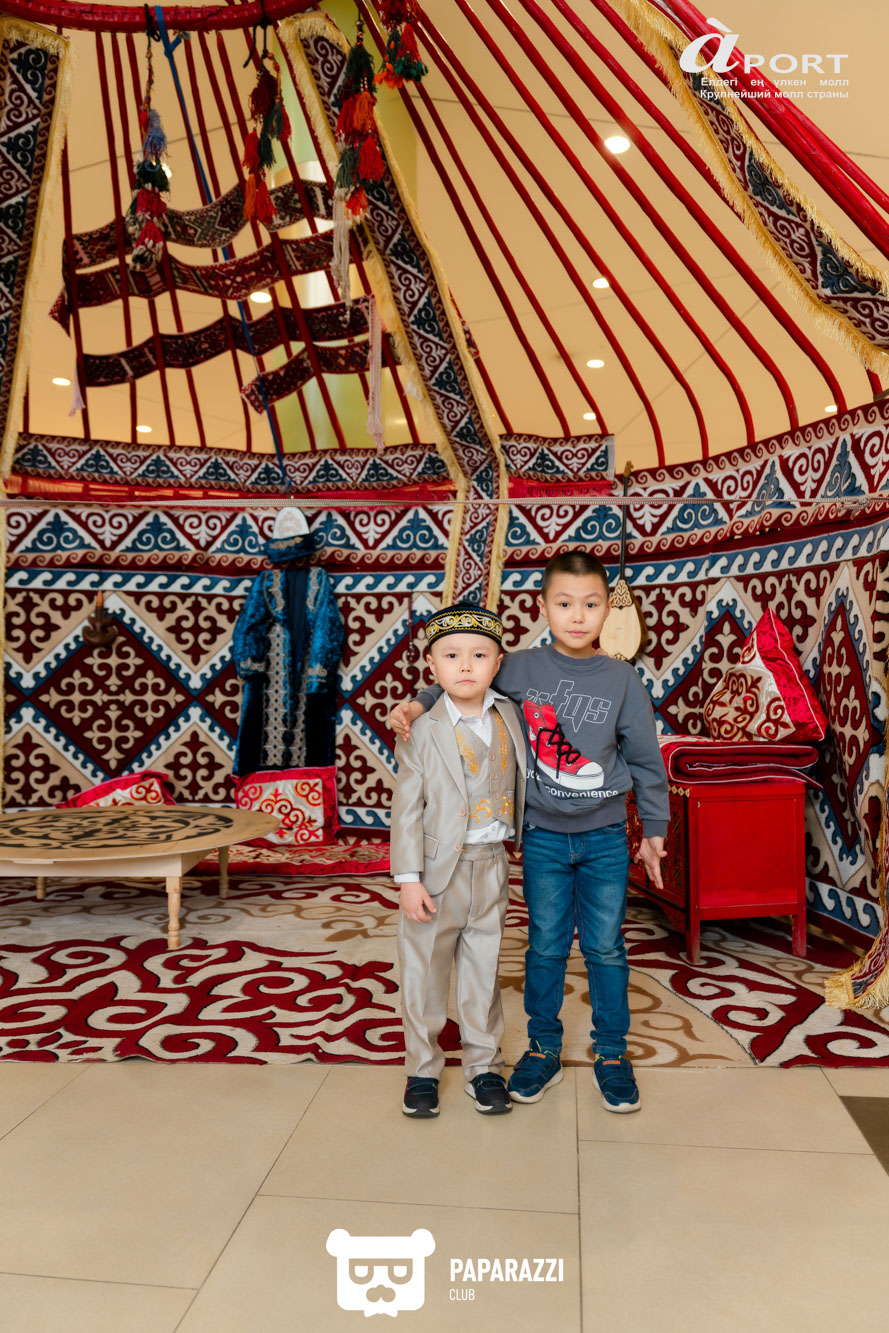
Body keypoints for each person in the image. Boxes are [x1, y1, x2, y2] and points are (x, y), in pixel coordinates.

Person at [390, 552, 668, 1114]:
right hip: (542, 833)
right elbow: (459, 676)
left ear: (608, 611)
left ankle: (612, 1052)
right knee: (545, 945)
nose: (577, 616)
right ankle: (543, 1048)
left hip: (605, 833)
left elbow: (644, 758)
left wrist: (653, 829)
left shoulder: (622, 679)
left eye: (591, 605)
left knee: (606, 946)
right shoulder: (516, 667)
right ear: (543, 607)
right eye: (564, 604)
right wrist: (417, 703)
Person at [391, 603, 526, 1119]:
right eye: (451, 656)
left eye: (479, 655)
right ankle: (422, 1069)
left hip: (492, 863)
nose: (465, 666)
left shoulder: (512, 714)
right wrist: (408, 879)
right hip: (434, 873)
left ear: (498, 663)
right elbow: (408, 807)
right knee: (425, 971)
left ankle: (483, 1066)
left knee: (483, 968)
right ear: (431, 665)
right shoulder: (420, 729)